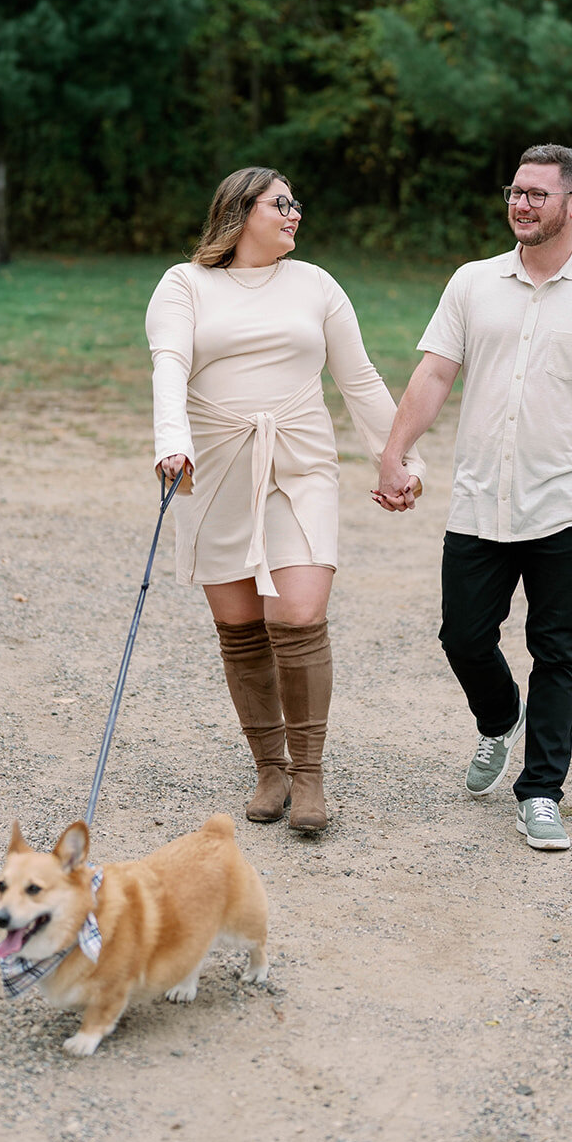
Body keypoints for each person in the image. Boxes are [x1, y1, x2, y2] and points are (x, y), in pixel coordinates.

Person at [375, 144, 572, 850]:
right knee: (462, 636)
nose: (521, 204)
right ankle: (500, 717)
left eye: (537, 193)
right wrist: (392, 451)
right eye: (515, 191)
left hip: (565, 502)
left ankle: (540, 793)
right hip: (479, 496)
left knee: (555, 650)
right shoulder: (472, 283)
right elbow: (435, 374)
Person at [146, 167, 423, 834]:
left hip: (299, 464)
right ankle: (268, 766)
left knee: (297, 613)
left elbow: (358, 380)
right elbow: (169, 367)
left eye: (295, 202)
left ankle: (308, 776)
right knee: (241, 626)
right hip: (213, 469)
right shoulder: (185, 285)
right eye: (281, 204)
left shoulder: (316, 284)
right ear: (239, 213)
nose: (295, 213)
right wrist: (170, 444)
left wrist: (397, 459)